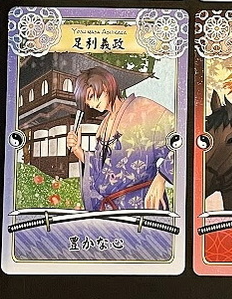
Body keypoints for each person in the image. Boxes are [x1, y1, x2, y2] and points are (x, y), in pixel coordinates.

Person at [66, 67, 174, 211]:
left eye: (91, 96)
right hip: (110, 209)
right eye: (87, 102)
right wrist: (77, 150)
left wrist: (161, 178)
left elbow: (181, 140)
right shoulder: (104, 125)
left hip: (141, 204)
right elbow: (101, 169)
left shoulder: (144, 109)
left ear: (105, 86)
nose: (91, 104)